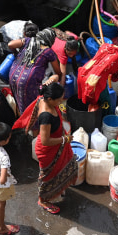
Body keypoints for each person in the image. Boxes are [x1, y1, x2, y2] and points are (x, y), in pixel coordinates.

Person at [12, 83, 77, 215]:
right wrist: (64, 139)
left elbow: (54, 77)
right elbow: (46, 140)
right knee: (47, 177)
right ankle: (43, 200)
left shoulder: (42, 98)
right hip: (48, 151)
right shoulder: (46, 116)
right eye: (59, 100)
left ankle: (60, 187)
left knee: (66, 165)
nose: (61, 102)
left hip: (57, 145)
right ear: (49, 99)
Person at [8, 25, 62, 114]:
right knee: (32, 105)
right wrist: (56, 77)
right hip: (28, 81)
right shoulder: (48, 52)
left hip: (13, 75)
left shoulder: (28, 40)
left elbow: (10, 44)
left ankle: (20, 117)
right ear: (50, 40)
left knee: (19, 99)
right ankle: (31, 123)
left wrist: (16, 53)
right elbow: (58, 72)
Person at [77, 37, 118, 112]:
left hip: (83, 73)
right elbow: (115, 79)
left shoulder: (106, 46)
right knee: (106, 104)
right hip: (94, 81)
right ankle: (105, 119)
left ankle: (89, 110)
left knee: (88, 99)